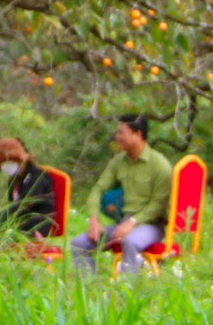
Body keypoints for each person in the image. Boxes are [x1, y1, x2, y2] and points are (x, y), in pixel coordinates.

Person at [69, 113, 173, 276]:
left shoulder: (160, 165)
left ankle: (127, 292)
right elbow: (98, 189)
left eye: (121, 133)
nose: (117, 137)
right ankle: (89, 289)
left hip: (151, 225)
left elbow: (158, 205)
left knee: (130, 242)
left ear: (137, 134)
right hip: (122, 223)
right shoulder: (118, 162)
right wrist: (94, 220)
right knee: (78, 243)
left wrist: (132, 222)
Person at [0, 137, 62, 239]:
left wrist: (2, 214)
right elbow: (14, 205)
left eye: (8, 161)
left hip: (34, 224)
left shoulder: (37, 175)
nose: (5, 166)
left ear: (19, 159)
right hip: (16, 221)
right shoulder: (13, 181)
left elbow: (26, 204)